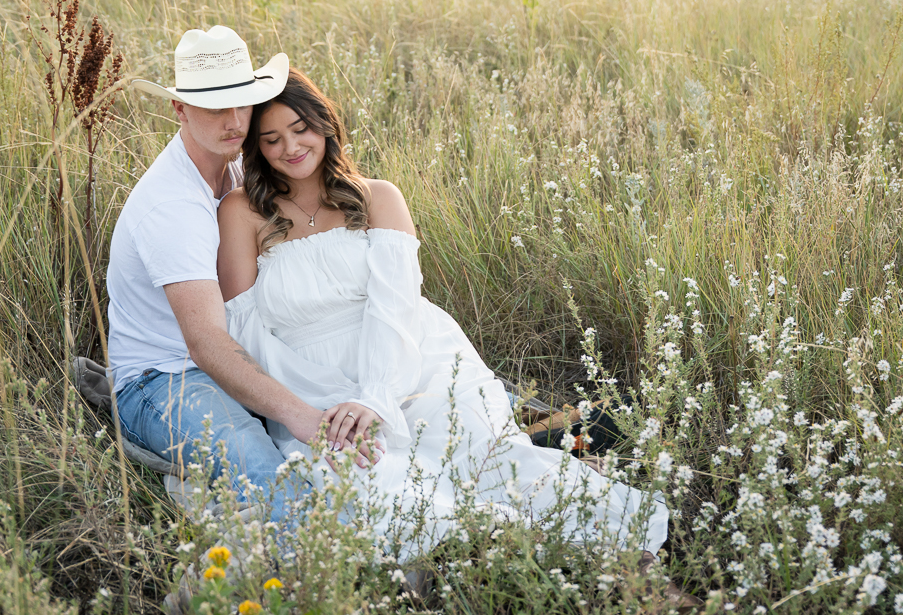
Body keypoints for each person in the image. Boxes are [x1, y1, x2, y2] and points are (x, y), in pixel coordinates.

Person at [216, 68, 669, 560]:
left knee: (483, 459)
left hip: (410, 361)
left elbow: (396, 307)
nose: (291, 147)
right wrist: (316, 407)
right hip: (308, 381)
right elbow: (246, 328)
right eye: (272, 139)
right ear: (257, 149)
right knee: (373, 485)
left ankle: (604, 541)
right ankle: (527, 541)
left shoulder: (377, 196)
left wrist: (376, 397)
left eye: (300, 128)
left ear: (324, 124)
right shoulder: (244, 211)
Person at [108, 26, 349, 521]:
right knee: (275, 479)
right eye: (217, 107)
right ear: (179, 108)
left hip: (246, 349)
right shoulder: (172, 207)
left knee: (374, 406)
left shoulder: (236, 169)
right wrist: (302, 415)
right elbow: (206, 344)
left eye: (243, 103)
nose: (235, 120)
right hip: (167, 380)